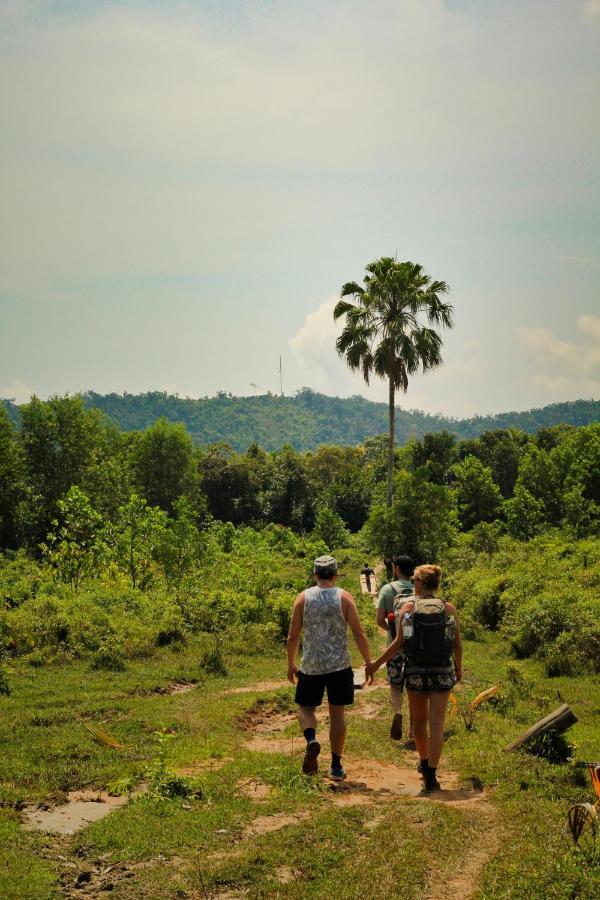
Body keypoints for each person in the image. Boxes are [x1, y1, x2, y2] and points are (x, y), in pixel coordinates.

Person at [366, 564, 462, 792]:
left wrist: (375, 665)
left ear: (419, 583)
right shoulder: (448, 608)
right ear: (436, 585)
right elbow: (457, 644)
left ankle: (424, 761)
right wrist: (458, 668)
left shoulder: (407, 607)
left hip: (415, 672)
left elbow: (398, 643)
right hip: (442, 671)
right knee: (437, 723)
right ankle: (432, 773)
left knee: (419, 722)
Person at [287, 554, 373, 781]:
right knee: (337, 715)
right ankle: (336, 766)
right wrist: (369, 662)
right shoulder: (344, 597)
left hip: (312, 666)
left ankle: (311, 739)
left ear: (315, 574)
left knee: (305, 708)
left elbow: (293, 635)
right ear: (335, 574)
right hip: (339, 666)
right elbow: (358, 633)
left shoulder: (302, 598)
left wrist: (291, 663)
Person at [376, 555, 415, 741]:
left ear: (396, 568)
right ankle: (413, 731)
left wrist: (392, 631)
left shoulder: (387, 589)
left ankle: (398, 711)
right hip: (416, 647)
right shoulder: (420, 588)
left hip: (394, 646)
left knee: (395, 683)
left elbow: (379, 620)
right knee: (414, 688)